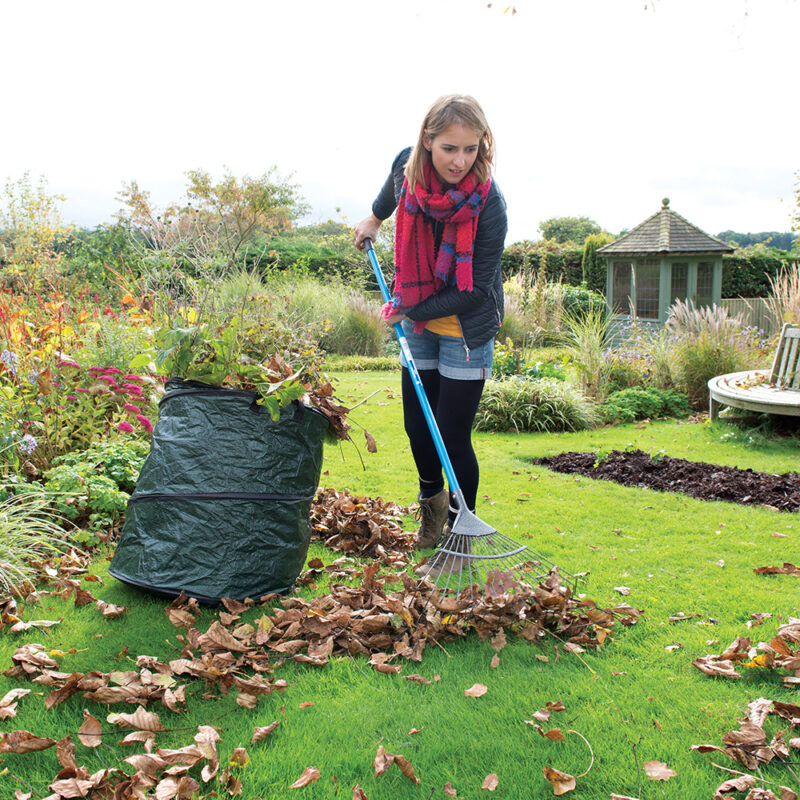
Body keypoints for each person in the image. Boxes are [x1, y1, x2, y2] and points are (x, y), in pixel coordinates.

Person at [354, 94, 507, 551]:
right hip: (418, 321)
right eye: (449, 149)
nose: (460, 161)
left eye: (471, 148)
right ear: (427, 141)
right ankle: (432, 506)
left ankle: (463, 532)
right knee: (418, 428)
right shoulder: (408, 168)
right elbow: (390, 194)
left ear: (483, 144)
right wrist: (375, 219)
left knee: (452, 437)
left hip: (465, 329)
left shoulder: (489, 204)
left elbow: (476, 289)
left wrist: (410, 311)